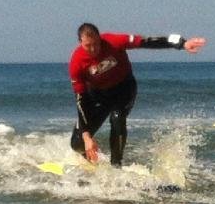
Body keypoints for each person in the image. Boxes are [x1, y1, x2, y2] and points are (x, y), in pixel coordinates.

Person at [68, 23, 206, 166]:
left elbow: (148, 41)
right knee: (77, 144)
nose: (93, 49)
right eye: (88, 45)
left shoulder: (114, 42)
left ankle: (116, 166)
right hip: (97, 96)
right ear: (80, 43)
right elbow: (81, 100)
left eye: (96, 44)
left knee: (117, 118)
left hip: (124, 90)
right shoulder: (76, 62)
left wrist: (182, 43)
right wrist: (86, 137)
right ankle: (91, 157)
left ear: (100, 38)